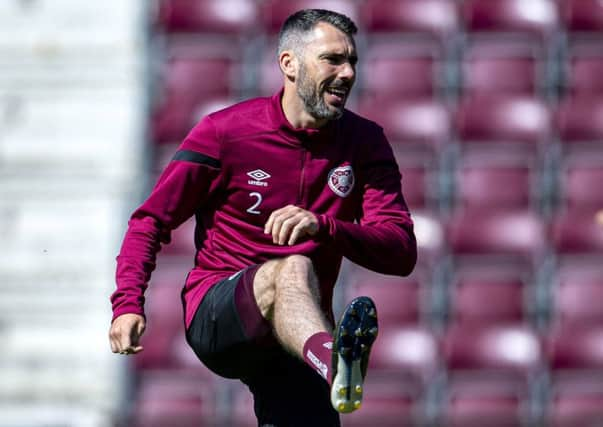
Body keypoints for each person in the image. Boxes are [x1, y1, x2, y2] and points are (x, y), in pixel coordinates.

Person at [108, 8, 417, 427]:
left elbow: (400, 252)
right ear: (289, 63)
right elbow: (150, 221)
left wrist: (324, 226)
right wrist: (128, 303)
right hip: (219, 315)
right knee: (291, 268)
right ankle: (335, 363)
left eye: (353, 62)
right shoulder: (225, 132)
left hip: (296, 335)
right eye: (332, 59)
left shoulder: (364, 143)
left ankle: (331, 364)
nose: (347, 73)